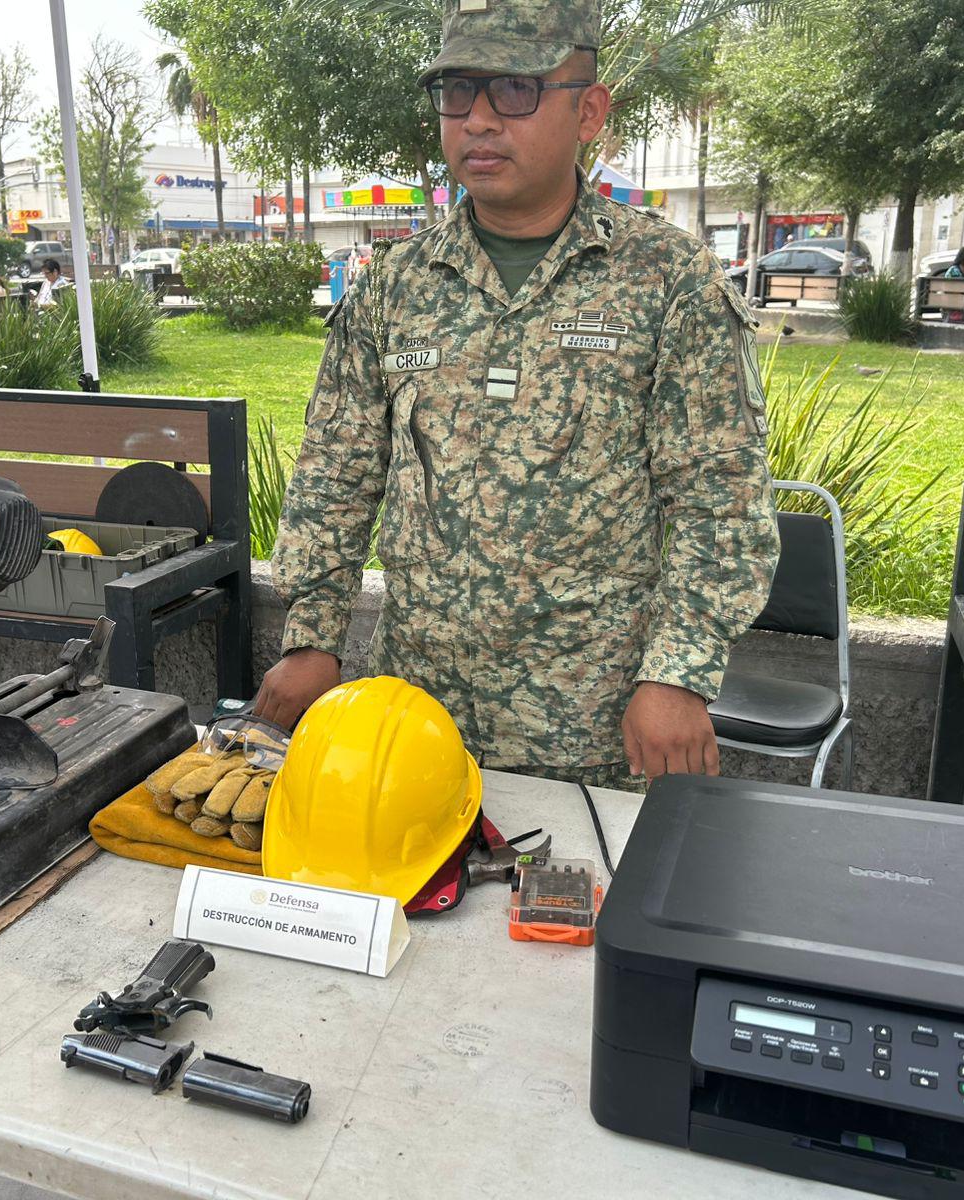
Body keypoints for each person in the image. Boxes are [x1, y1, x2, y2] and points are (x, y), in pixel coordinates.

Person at [254, 0, 780, 790]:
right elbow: (336, 475)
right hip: (415, 715)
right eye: (457, 93)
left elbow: (721, 497)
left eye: (515, 92)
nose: (478, 121)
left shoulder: (668, 279)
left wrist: (678, 671)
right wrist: (310, 635)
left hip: (597, 725)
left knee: (577, 915)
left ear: (590, 110)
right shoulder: (396, 285)